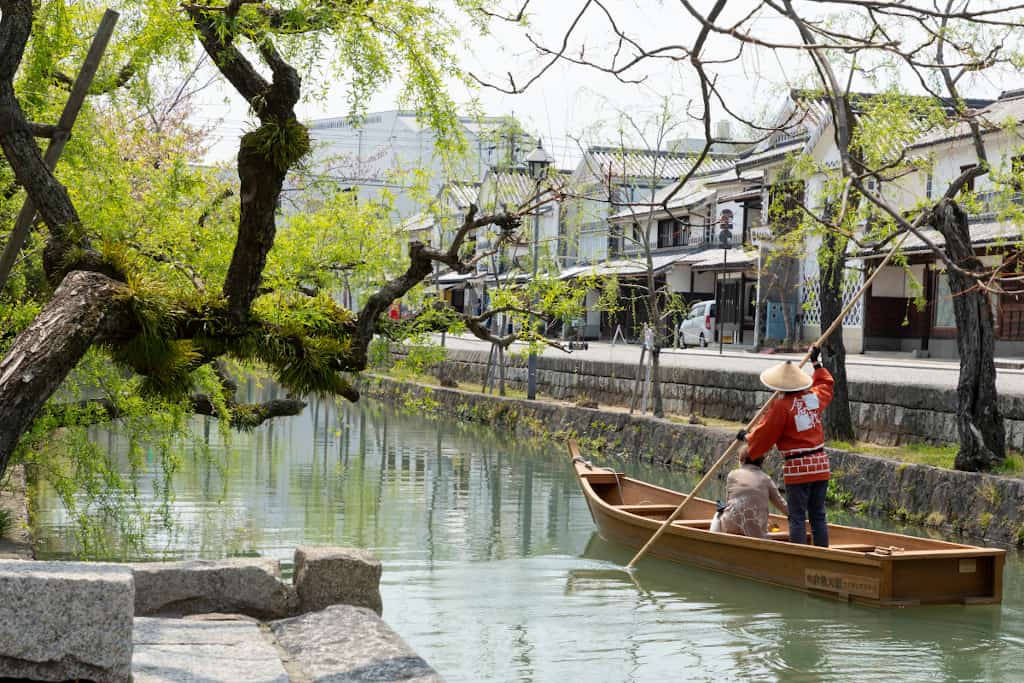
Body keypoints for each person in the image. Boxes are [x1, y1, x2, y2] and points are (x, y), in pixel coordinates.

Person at [736, 346, 834, 546]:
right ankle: (823, 553)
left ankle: (797, 554)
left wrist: (747, 438)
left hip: (798, 469)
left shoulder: (781, 407)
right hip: (821, 465)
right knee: (818, 515)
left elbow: (765, 433)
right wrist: (817, 363)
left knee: (797, 517)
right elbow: (825, 385)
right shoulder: (812, 398)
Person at [717, 449, 788, 539]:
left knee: (719, 514)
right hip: (756, 532)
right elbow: (781, 504)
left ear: (742, 460)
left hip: (731, 526)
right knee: (764, 522)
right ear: (761, 462)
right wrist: (796, 516)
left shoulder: (732, 475)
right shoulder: (766, 479)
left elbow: (728, 502)